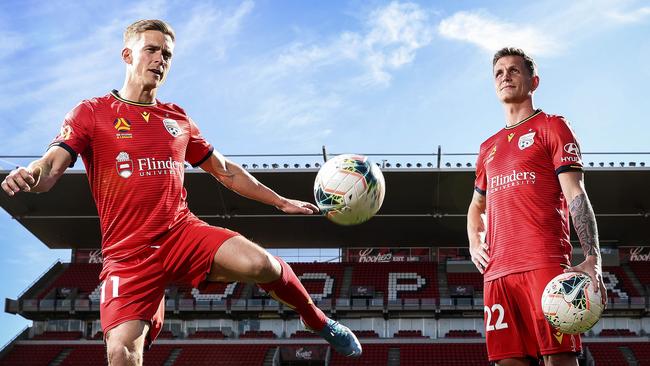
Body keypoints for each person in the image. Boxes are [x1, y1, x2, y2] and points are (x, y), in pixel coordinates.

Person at [1, 19, 361, 366]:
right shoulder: (92, 112)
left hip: (180, 232)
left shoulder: (177, 119)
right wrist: (30, 174)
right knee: (122, 354)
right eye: (151, 50)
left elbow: (225, 171)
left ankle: (316, 320)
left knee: (261, 264)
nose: (160, 59)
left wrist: (280, 201)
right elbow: (51, 166)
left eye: (167, 55)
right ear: (127, 55)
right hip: (128, 255)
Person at [466, 47, 607, 366]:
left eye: (514, 70)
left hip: (544, 265)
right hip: (497, 274)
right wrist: (475, 241)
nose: (505, 77)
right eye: (499, 72)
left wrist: (592, 257)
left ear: (534, 81)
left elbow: (576, 194)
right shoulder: (487, 148)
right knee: (508, 362)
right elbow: (476, 206)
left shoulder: (552, 126)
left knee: (558, 359)